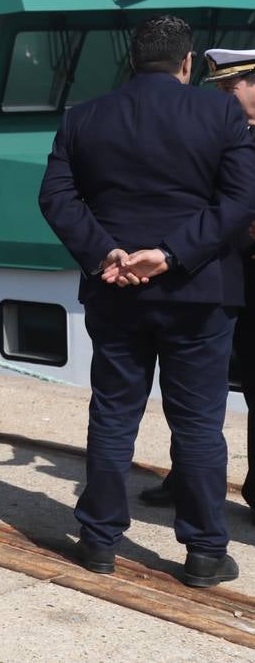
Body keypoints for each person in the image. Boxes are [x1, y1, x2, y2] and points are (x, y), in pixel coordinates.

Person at [39, 15, 255, 589]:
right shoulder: (222, 112)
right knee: (200, 424)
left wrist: (106, 252)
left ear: (132, 62)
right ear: (187, 63)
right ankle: (206, 551)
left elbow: (56, 197)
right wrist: (169, 254)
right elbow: (239, 201)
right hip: (199, 292)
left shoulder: (84, 117)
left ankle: (99, 541)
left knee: (113, 414)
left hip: (115, 293)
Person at [139, 46, 255, 518]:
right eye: (221, 89)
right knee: (193, 385)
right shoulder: (220, 134)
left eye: (234, 88)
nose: (226, 98)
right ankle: (186, 474)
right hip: (218, 275)